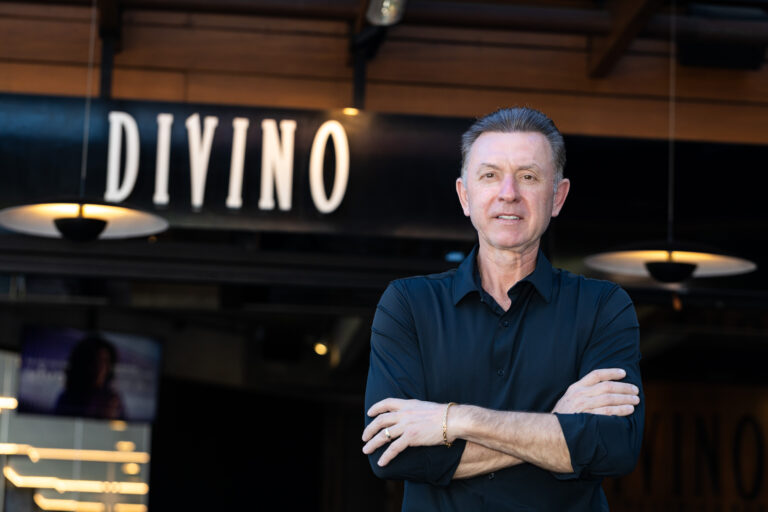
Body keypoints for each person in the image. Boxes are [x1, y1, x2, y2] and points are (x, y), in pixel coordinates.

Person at [362, 107, 643, 511]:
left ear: (558, 196)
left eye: (528, 176)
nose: (508, 192)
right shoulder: (408, 305)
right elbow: (391, 453)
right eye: (490, 175)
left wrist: (456, 420)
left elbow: (614, 447)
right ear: (465, 196)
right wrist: (556, 422)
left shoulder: (603, 307)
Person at [55, 334, 126, 420]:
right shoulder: (68, 398)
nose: (100, 367)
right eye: (95, 360)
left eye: (104, 361)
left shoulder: (113, 401)